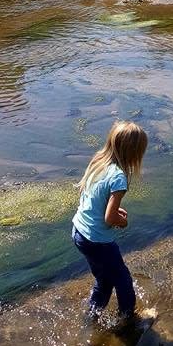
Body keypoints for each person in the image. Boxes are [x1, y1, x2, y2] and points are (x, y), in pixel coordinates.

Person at [72, 120, 148, 323]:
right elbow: (109, 218)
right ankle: (128, 319)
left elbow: (92, 197)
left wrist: (112, 209)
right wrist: (122, 222)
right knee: (123, 280)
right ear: (134, 154)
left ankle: (91, 318)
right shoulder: (119, 179)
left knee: (104, 280)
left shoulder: (99, 161)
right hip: (98, 240)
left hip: (79, 232)